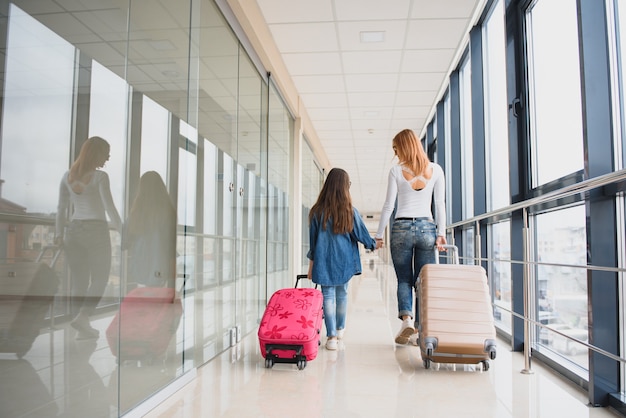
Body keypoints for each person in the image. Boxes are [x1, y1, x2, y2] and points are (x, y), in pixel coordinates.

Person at [375, 129, 447, 345]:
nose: (395, 153)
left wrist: (379, 235)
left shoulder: (396, 171)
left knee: (404, 279)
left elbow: (388, 206)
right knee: (423, 282)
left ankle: (407, 320)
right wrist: (441, 233)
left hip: (401, 228)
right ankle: (420, 330)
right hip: (427, 227)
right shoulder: (435, 170)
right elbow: (439, 205)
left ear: (404, 147)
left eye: (396, 148)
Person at [55, 136, 122, 340]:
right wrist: (122, 232)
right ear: (96, 153)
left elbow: (61, 209)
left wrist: (58, 234)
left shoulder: (67, 177)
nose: (108, 158)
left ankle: (81, 323)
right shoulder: (100, 177)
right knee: (101, 277)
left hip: (73, 232)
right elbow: (109, 207)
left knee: (79, 281)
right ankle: (83, 316)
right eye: (106, 153)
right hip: (96, 230)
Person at [307, 168, 379, 351]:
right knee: (342, 294)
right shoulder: (349, 211)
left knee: (328, 297)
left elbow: (313, 244)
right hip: (344, 262)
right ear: (344, 187)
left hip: (323, 261)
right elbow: (361, 235)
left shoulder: (316, 212)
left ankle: (331, 336)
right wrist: (374, 244)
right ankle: (340, 329)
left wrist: (311, 266)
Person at [123, 171, 177, 288]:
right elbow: (171, 245)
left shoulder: (136, 213)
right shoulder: (168, 211)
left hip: (140, 264)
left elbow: (126, 240)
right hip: (161, 264)